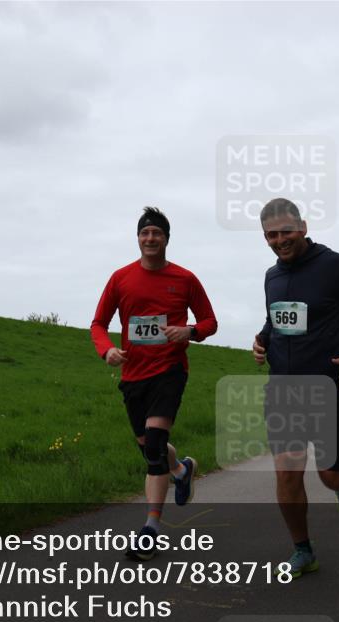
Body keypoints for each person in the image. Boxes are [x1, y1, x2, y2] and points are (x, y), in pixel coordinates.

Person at [251, 198, 339, 579]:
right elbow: (277, 320)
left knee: (330, 475)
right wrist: (261, 339)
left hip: (333, 387)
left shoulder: (336, 266)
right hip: (285, 390)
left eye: (286, 232)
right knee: (287, 472)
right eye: (271, 235)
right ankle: (303, 550)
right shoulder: (272, 276)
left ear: (303, 227)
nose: (279, 241)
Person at [91, 207, 218, 561]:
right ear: (138, 238)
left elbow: (210, 321)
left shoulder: (185, 279)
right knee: (151, 447)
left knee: (156, 444)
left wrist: (189, 331)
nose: (150, 238)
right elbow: (98, 323)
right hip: (133, 375)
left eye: (157, 233)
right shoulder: (120, 279)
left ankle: (150, 529)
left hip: (170, 369)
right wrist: (107, 351)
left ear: (166, 239)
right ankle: (181, 470)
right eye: (145, 233)